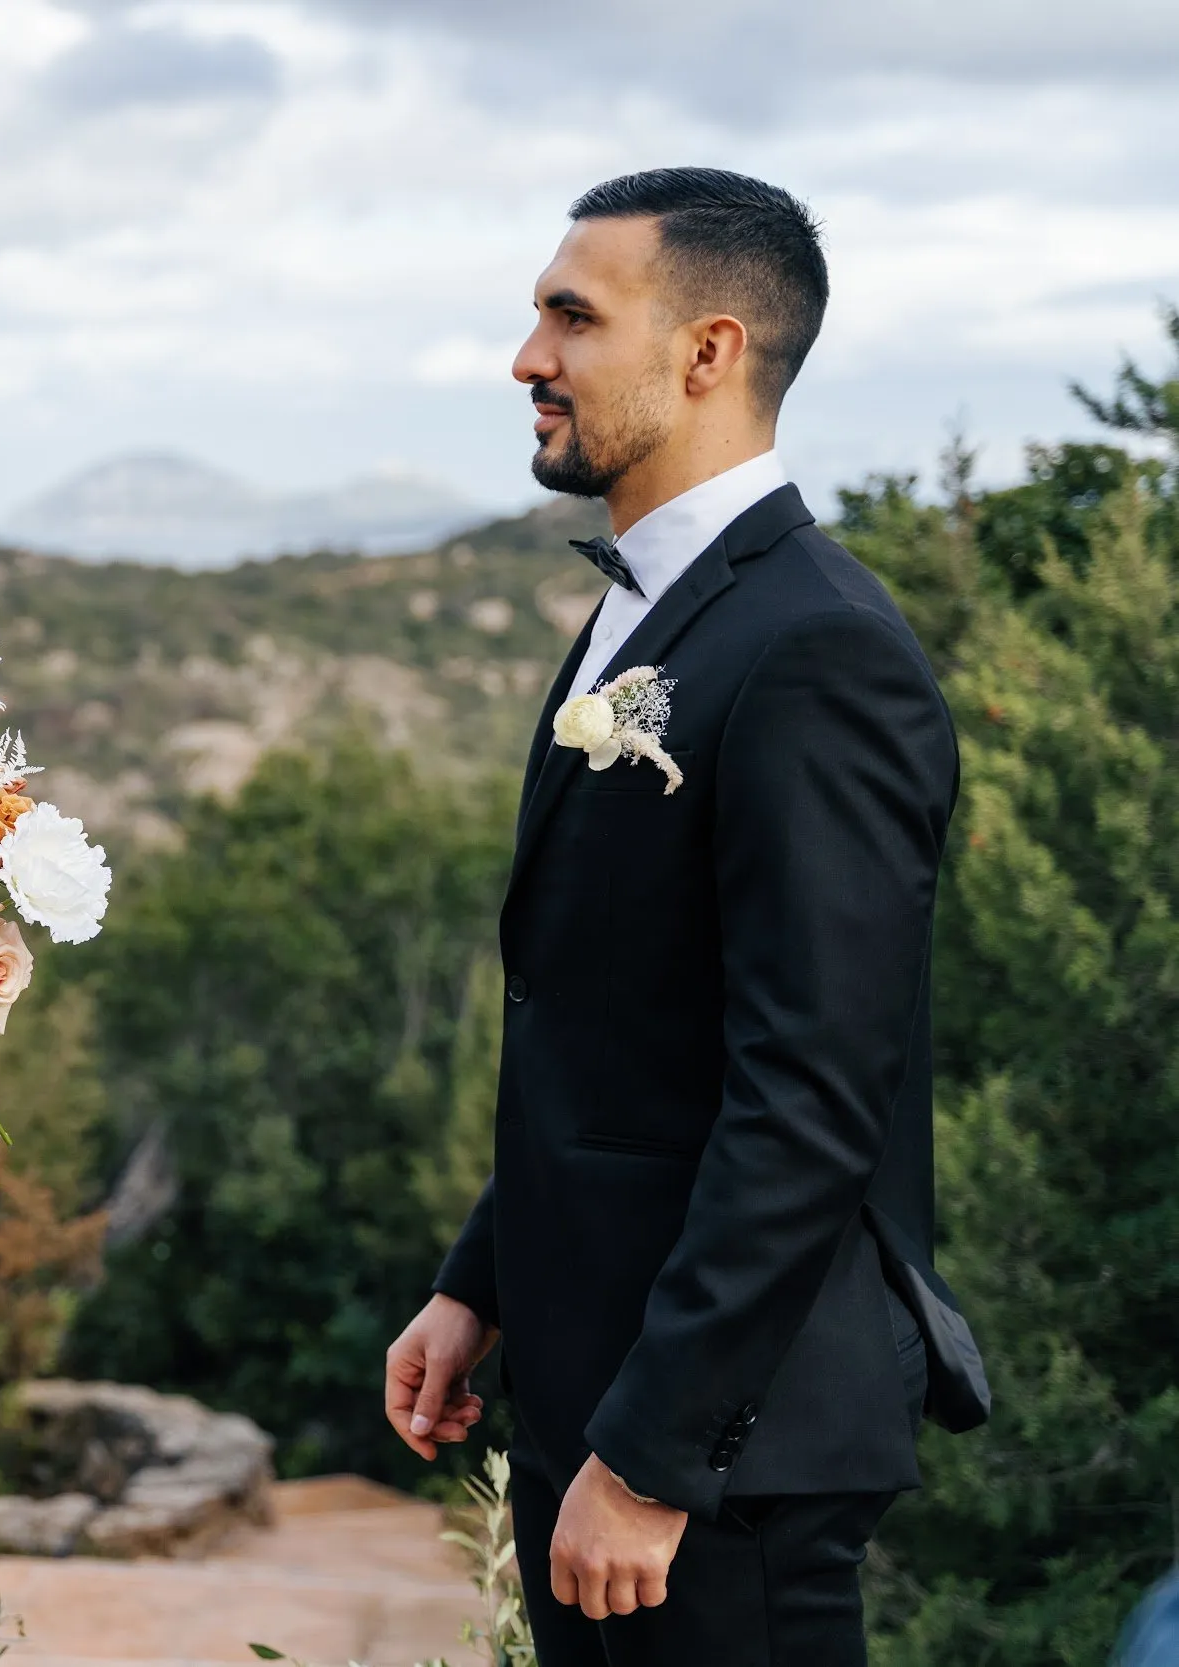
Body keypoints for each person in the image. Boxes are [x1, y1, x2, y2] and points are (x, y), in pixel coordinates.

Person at [382, 168, 990, 1666]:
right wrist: (482, 1280)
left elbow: (810, 1096)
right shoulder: (644, 611)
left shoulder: (820, 649)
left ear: (707, 352)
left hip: (726, 1456)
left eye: (570, 317)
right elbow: (615, 1024)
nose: (528, 357)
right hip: (600, 1391)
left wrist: (656, 1456)